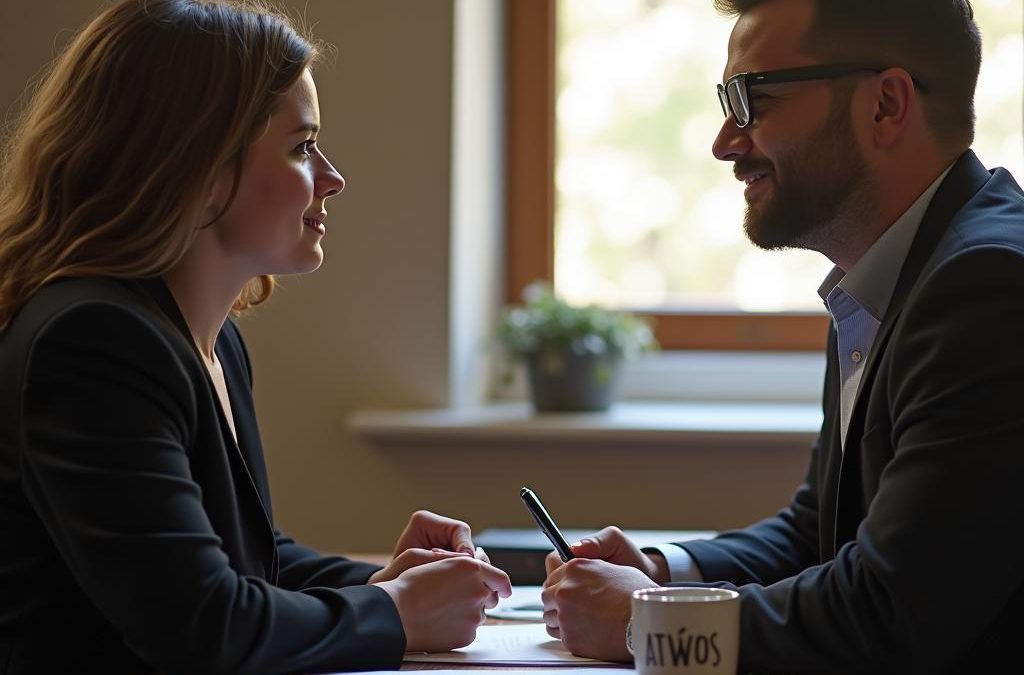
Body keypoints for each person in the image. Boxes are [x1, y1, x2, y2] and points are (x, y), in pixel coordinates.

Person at [0, 1, 511, 673]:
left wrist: (385, 578)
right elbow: (205, 624)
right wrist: (398, 610)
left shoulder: (208, 340)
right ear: (198, 164)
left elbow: (245, 556)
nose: (332, 176)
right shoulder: (93, 344)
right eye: (302, 146)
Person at [541, 0, 1024, 672]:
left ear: (886, 104)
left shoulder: (988, 286)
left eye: (753, 100)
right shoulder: (892, 273)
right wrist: (661, 568)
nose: (724, 141)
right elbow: (818, 531)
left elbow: (891, 608)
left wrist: (646, 620)